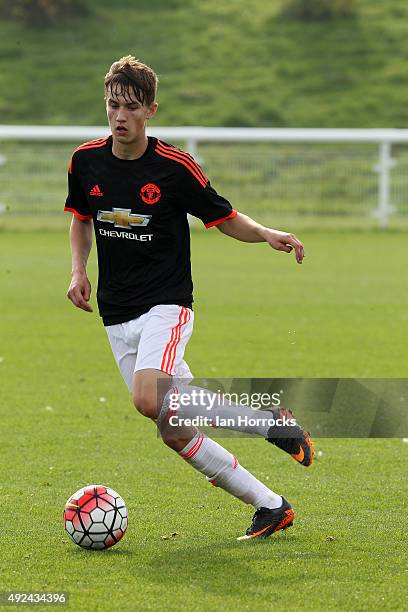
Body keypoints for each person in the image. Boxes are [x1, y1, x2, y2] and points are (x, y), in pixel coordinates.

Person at [65, 55, 313, 541]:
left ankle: (268, 421)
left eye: (131, 108)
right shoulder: (85, 161)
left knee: (146, 397)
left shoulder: (175, 167)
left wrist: (265, 233)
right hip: (116, 313)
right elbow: (80, 217)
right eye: (113, 105)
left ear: (151, 110)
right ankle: (271, 506)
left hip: (166, 302)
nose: (120, 117)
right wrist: (78, 270)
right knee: (175, 429)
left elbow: (224, 218)